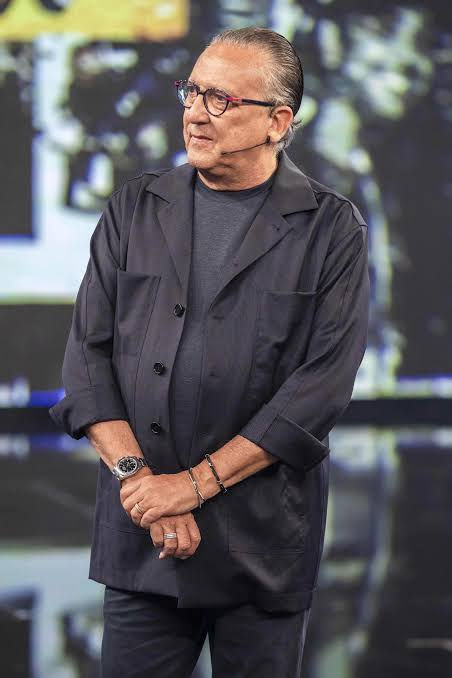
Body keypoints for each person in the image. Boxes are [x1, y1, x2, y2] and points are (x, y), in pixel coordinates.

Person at [49, 26, 370, 678]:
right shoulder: (135, 207)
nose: (196, 112)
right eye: (192, 92)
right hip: (143, 535)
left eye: (221, 99)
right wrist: (144, 486)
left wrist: (190, 488)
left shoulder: (331, 228)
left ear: (278, 121)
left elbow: (317, 393)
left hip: (261, 545)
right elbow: (87, 360)